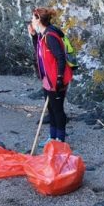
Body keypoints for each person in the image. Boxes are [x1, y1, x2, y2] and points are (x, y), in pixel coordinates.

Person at [28, 8, 72, 143]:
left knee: (58, 110)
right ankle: (52, 137)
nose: (31, 21)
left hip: (56, 80)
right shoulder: (42, 35)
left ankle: (60, 139)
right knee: (51, 109)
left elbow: (60, 57)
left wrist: (59, 78)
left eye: (33, 18)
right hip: (48, 79)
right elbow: (39, 53)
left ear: (39, 20)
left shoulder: (50, 36)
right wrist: (34, 36)